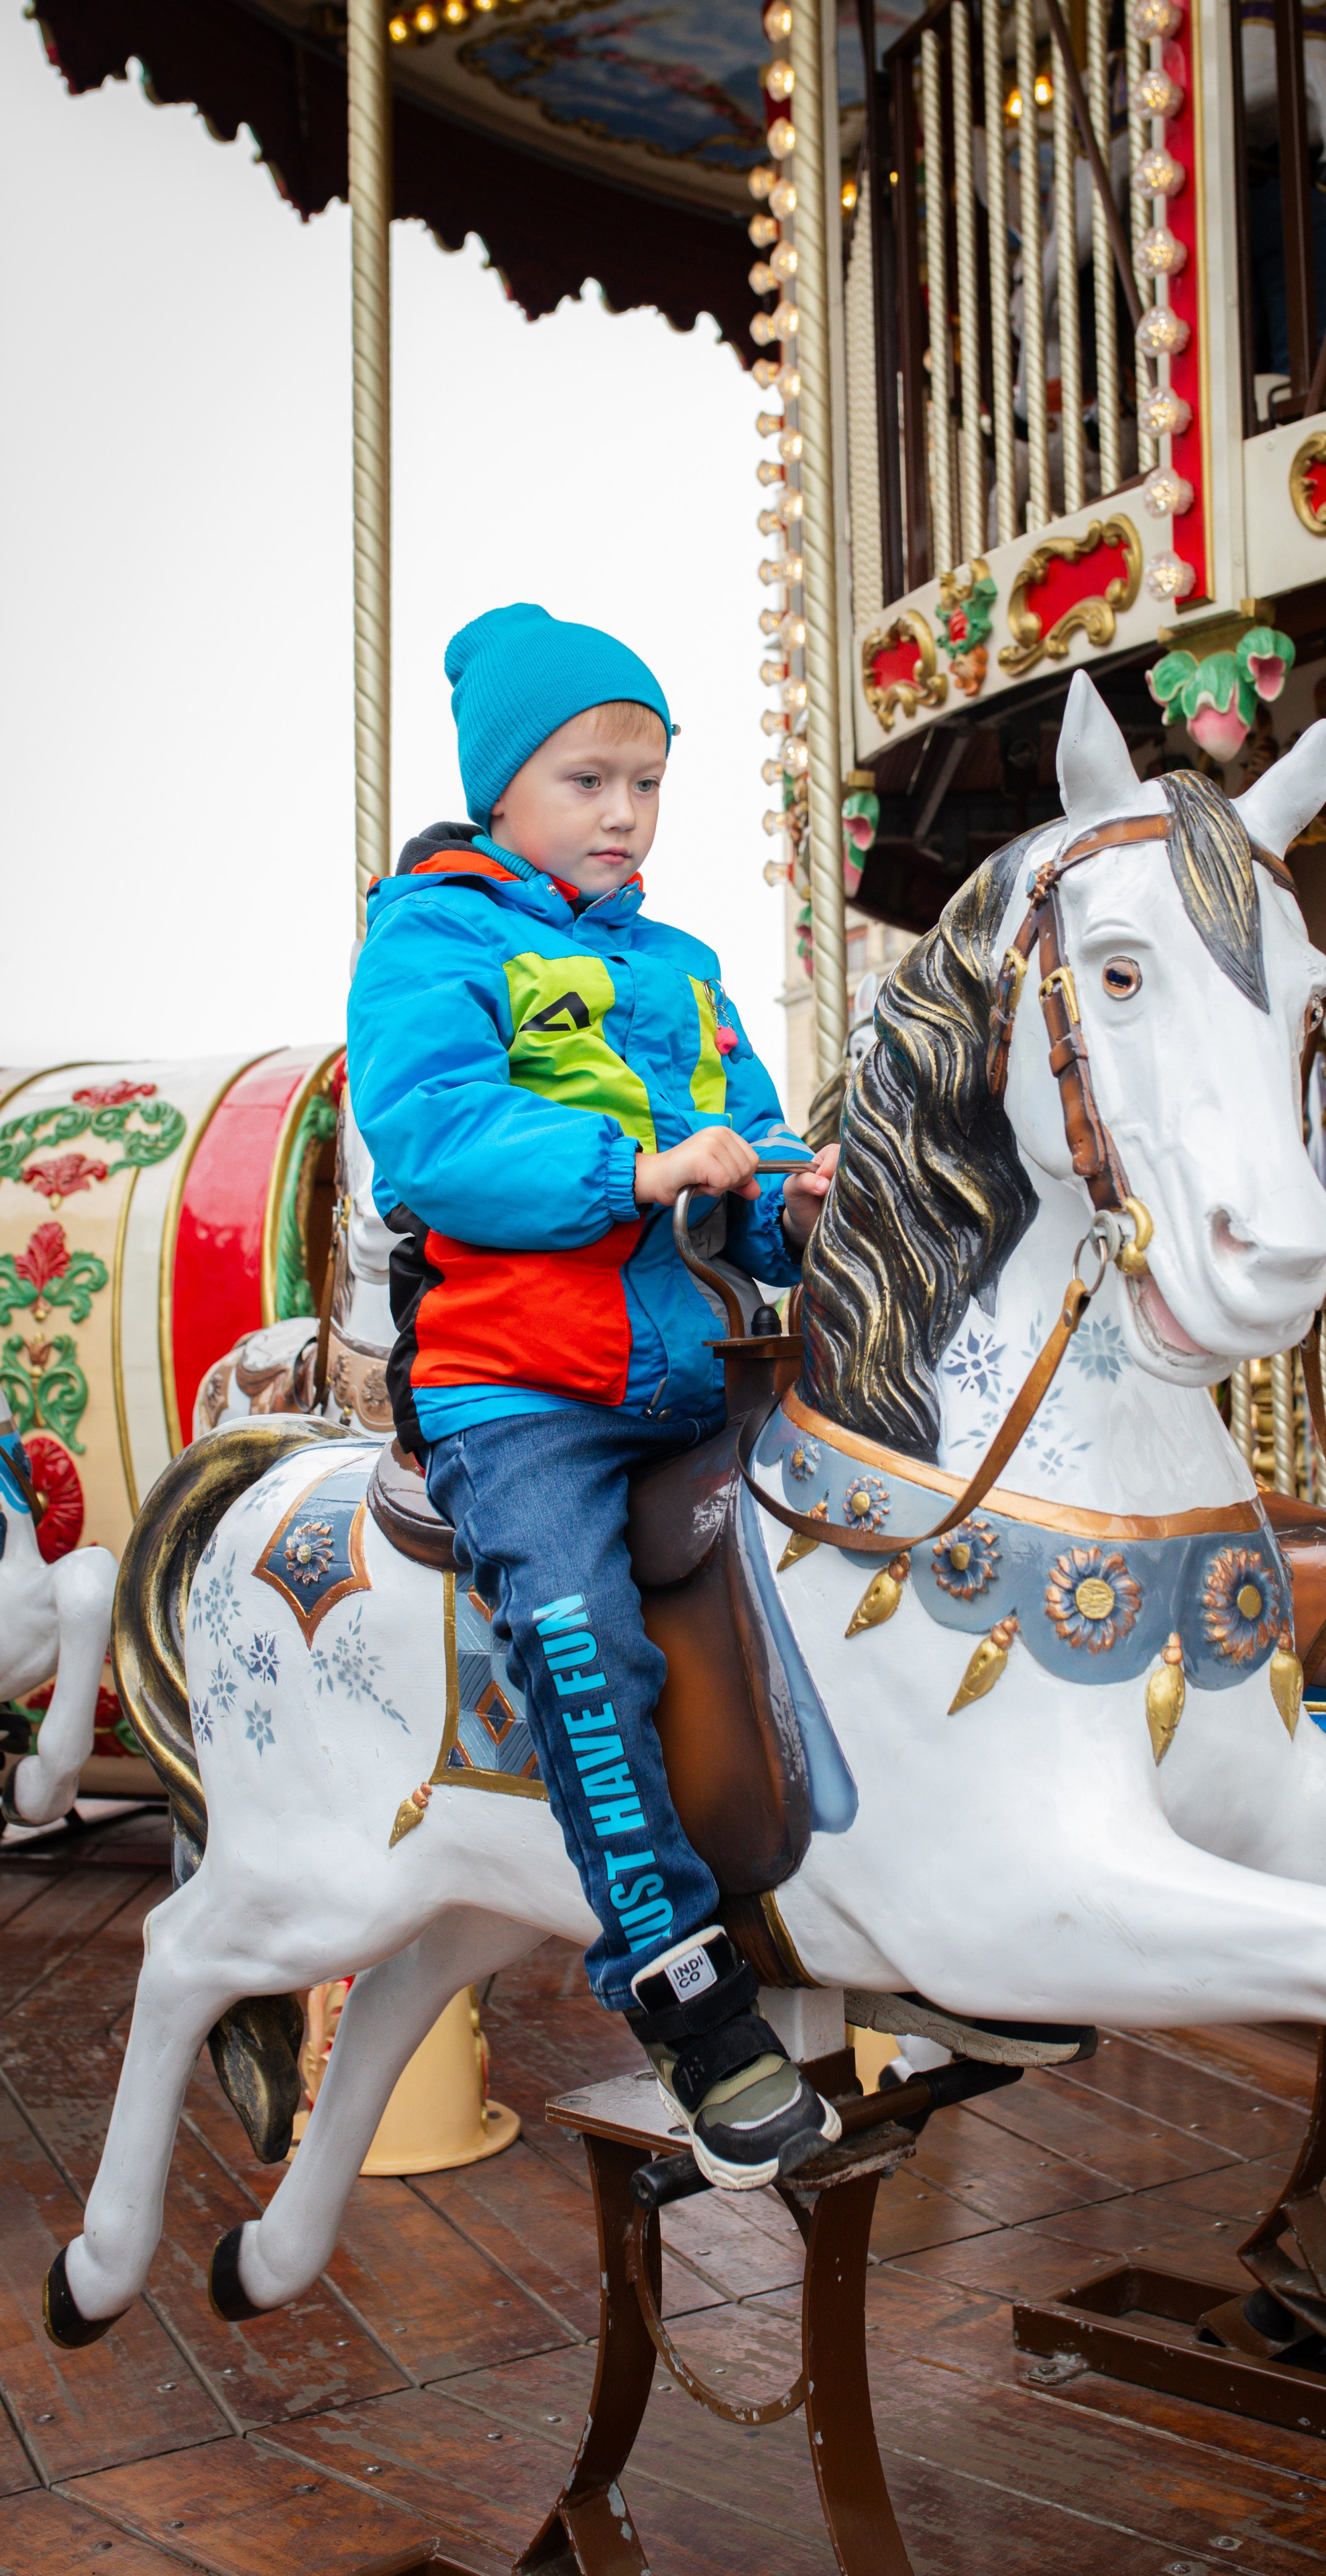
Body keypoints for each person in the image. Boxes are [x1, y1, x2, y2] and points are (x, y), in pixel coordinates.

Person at [347, 603, 840, 2190]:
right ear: (504, 792)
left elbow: (746, 1151)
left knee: (862, 1557)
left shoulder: (685, 968)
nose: (624, 814)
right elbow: (431, 1138)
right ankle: (685, 1995)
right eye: (587, 780)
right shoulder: (433, 937)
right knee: (581, 1637)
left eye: (646, 783)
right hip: (521, 1391)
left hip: (695, 1370)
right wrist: (632, 1171)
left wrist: (792, 1202)